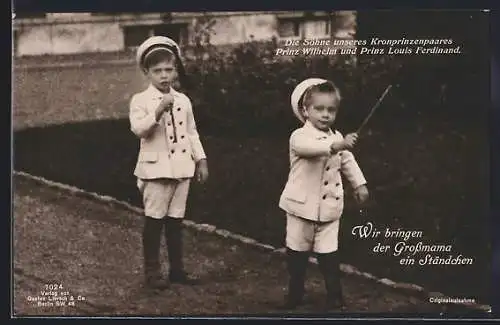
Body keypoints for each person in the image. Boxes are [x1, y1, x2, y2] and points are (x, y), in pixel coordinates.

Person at [278, 78, 369, 310]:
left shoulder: (337, 138)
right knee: (297, 252)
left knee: (329, 254)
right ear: (305, 111)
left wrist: (359, 184)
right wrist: (337, 146)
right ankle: (295, 292)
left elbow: (348, 162)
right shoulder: (299, 136)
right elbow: (310, 150)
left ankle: (335, 295)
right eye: (319, 109)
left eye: (331, 110)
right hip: (300, 207)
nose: (325, 115)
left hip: (329, 208)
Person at [129, 36, 209, 292]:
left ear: (175, 69)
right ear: (146, 72)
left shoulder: (183, 100)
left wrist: (201, 160)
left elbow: (192, 132)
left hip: (182, 168)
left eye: (169, 70)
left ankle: (177, 270)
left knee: (176, 221)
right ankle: (152, 272)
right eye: (157, 71)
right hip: (156, 170)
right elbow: (139, 130)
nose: (164, 76)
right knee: (154, 221)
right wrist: (158, 111)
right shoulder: (141, 100)